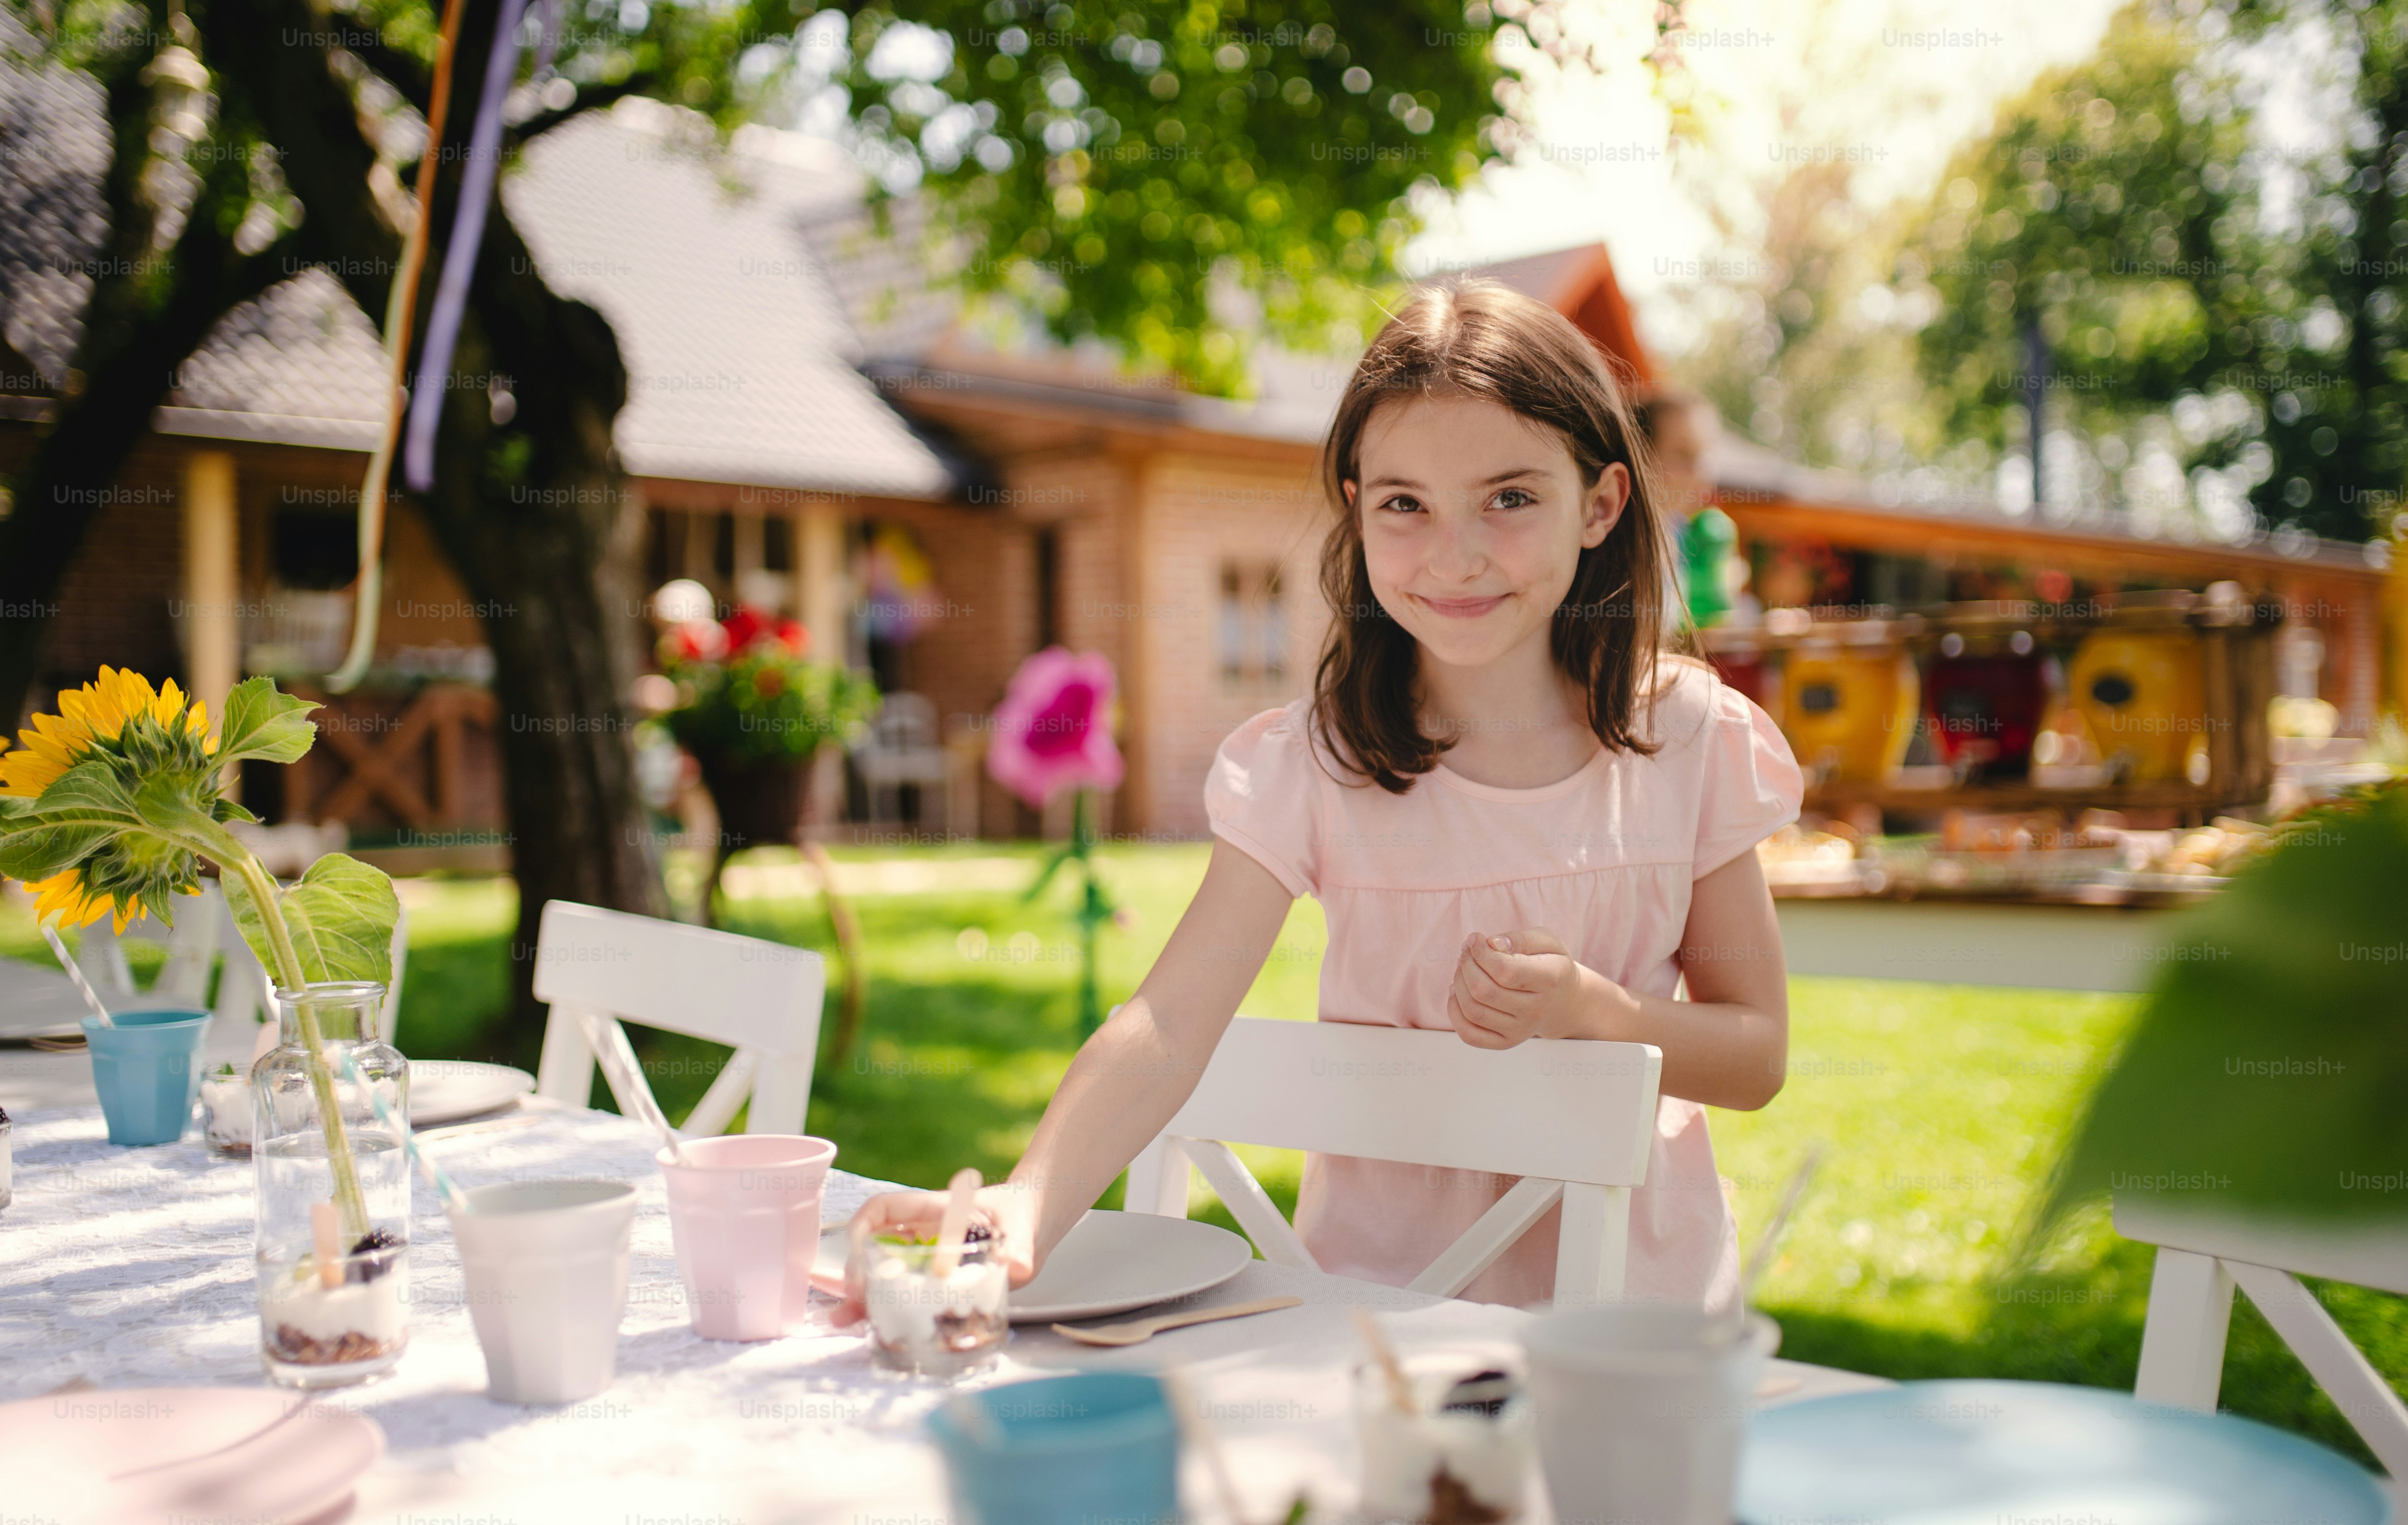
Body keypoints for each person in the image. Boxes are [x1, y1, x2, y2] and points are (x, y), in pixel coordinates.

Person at [843, 279, 1802, 1312]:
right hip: (1373, 1324)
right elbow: (1167, 1024)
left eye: (1511, 497)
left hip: (1634, 1333)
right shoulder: (1314, 768)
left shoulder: (1688, 740)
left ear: (1601, 505)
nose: (1455, 552)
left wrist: (1594, 1011)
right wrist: (1025, 1201)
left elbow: (1754, 1056)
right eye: (1405, 504)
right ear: (1357, 507)